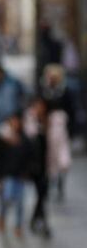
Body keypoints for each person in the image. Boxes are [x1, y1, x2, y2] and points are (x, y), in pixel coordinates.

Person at [41, 64, 74, 200]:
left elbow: (71, 110)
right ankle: (49, 183)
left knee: (62, 157)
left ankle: (60, 182)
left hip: (61, 129)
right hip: (49, 128)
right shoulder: (45, 91)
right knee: (49, 158)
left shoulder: (64, 92)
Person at [0, 113, 31, 237]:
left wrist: (26, 172)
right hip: (8, 175)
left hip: (20, 176)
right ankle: (2, 217)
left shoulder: (25, 139)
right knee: (6, 199)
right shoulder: (4, 139)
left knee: (20, 204)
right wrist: (0, 177)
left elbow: (29, 157)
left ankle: (18, 226)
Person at [24, 98, 52, 238]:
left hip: (47, 163)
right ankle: (42, 222)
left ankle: (36, 220)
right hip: (34, 165)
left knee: (43, 193)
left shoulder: (50, 120)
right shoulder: (30, 120)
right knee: (41, 192)